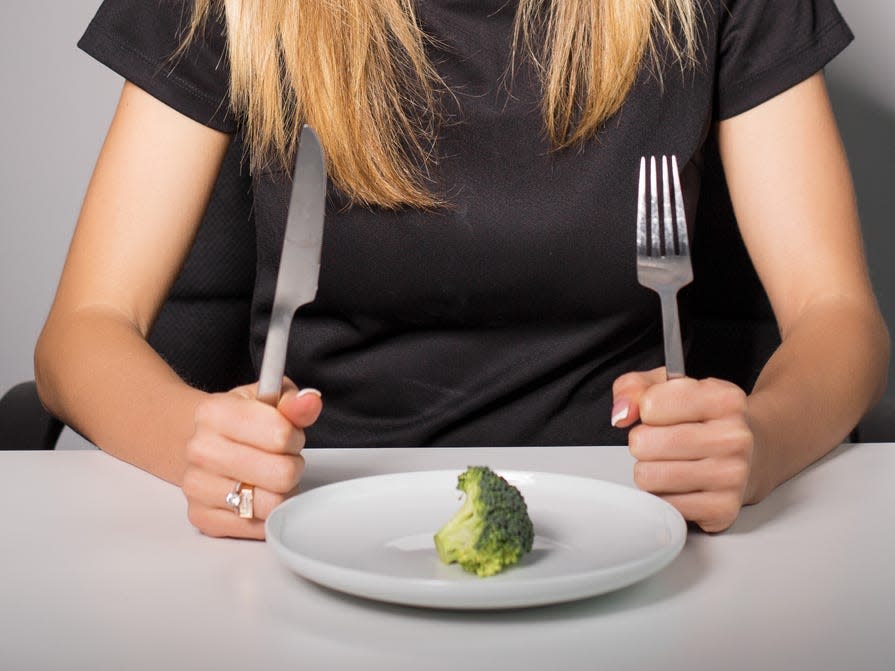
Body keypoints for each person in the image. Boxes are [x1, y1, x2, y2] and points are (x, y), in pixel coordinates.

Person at [34, 0, 889, 539]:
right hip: (313, 524)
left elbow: (834, 312)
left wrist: (763, 439)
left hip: (628, 524)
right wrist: (197, 443)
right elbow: (81, 335)